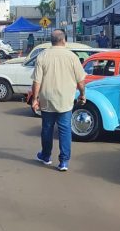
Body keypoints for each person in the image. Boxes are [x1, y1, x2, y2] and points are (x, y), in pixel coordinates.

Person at [30, 29, 86, 172]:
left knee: (47, 129)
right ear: (64, 40)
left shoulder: (42, 56)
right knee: (65, 129)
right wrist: (82, 95)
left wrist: (34, 99)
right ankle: (64, 162)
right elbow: (81, 81)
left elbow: (37, 81)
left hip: (47, 98)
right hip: (65, 100)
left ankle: (46, 156)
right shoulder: (72, 57)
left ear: (52, 40)